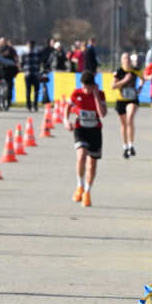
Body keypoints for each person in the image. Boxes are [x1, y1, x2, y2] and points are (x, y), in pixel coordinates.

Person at [68, 69, 107, 208]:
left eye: (89, 88)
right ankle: (80, 185)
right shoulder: (76, 93)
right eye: (84, 87)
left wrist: (96, 95)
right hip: (81, 129)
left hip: (95, 131)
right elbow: (68, 106)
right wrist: (66, 121)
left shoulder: (100, 94)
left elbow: (103, 114)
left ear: (93, 86)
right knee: (81, 157)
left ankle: (87, 192)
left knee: (92, 164)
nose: (86, 90)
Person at [110, 52, 140, 159]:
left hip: (132, 99)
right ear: (121, 61)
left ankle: (131, 144)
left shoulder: (135, 70)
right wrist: (124, 80)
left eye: (128, 58)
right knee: (123, 125)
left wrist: (140, 87)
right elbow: (112, 86)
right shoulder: (119, 72)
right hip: (121, 100)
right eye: (124, 58)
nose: (127, 60)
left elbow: (143, 78)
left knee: (130, 118)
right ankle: (125, 147)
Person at [21, 39, 43, 112]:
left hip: (28, 74)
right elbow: (42, 61)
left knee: (29, 90)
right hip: (35, 74)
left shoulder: (25, 53)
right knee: (35, 90)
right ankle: (34, 105)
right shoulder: (37, 53)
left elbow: (21, 63)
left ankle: (29, 105)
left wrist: (22, 69)